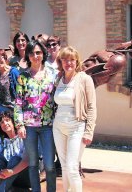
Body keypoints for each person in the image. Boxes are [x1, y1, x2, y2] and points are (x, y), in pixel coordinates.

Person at [53, 46, 97, 192]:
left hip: (76, 127)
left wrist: (89, 131)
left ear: (77, 61)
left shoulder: (84, 79)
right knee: (64, 166)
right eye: (65, 59)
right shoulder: (58, 78)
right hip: (58, 126)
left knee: (72, 167)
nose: (68, 63)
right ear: (61, 61)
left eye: (72, 59)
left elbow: (91, 107)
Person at [14, 40, 56, 192]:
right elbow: (18, 102)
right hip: (29, 127)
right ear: (28, 56)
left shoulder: (52, 75)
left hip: (48, 126)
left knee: (50, 165)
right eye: (32, 53)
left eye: (38, 52)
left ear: (43, 54)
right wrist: (19, 125)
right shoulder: (23, 76)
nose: (35, 55)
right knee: (32, 164)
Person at [0, 112, 30, 192]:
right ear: (0, 126)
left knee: (15, 159)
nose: (5, 123)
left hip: (25, 176)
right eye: (2, 122)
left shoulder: (24, 135)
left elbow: (27, 160)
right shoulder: (1, 140)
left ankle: (1, 189)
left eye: (7, 120)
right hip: (8, 176)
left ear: (13, 122)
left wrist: (12, 172)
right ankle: (7, 187)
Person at [0, 49, 20, 114]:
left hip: (13, 110)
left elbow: (21, 92)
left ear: (5, 58)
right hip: (0, 110)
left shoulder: (13, 72)